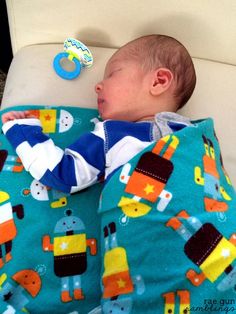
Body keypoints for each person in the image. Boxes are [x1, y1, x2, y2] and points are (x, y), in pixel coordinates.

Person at [1, 34, 196, 193]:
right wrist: (25, 131)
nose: (97, 86)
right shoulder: (110, 135)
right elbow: (63, 173)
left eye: (112, 74)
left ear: (158, 81)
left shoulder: (197, 133)